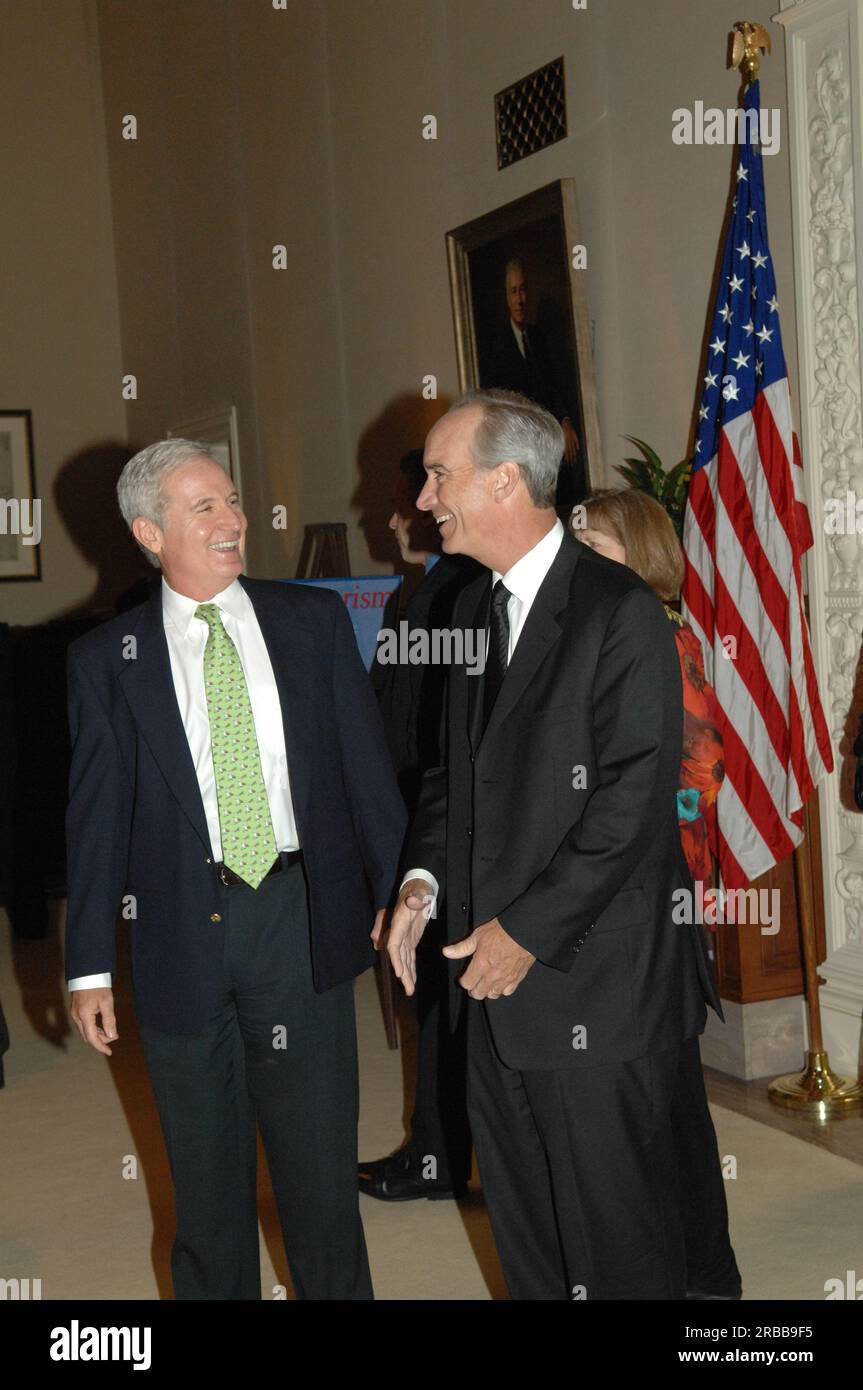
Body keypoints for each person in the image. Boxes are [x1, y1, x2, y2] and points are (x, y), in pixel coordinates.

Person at [387, 388, 720, 1300]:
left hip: (592, 984)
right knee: (529, 1237)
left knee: (616, 1244)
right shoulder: (464, 611)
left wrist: (524, 932)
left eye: (439, 475)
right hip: (486, 988)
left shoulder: (618, 610)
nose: (424, 499)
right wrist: (420, 883)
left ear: (504, 480)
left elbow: (629, 805)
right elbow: (453, 780)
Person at [64, 438, 406, 1300]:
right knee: (208, 1192)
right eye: (204, 508)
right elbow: (96, 819)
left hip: (296, 918)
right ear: (150, 532)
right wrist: (88, 962)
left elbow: (367, 772)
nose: (233, 521)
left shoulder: (309, 622)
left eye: (232, 500)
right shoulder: (107, 660)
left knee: (320, 1179)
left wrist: (400, 888)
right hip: (180, 929)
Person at [574, 486, 741, 1301]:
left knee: (666, 1105)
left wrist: (658, 868)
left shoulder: (658, 637)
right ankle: (701, 1275)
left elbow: (700, 771)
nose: (576, 556)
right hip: (635, 900)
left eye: (593, 544)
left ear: (636, 556)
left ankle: (704, 1280)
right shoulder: (607, 630)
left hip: (658, 904)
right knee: (665, 1103)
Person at [360, 451, 480, 1201]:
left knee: (445, 1004)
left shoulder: (456, 594)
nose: (400, 516)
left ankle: (439, 1157)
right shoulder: (424, 593)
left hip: (442, 829)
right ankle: (437, 1150)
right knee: (436, 999)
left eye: (413, 501)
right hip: (423, 822)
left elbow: (430, 734)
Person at [487, 257, 581, 513]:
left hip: (547, 429)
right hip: (522, 439)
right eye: (514, 292)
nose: (520, 299)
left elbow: (551, 382)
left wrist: (564, 419)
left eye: (523, 290)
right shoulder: (498, 345)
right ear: (506, 296)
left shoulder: (538, 336)